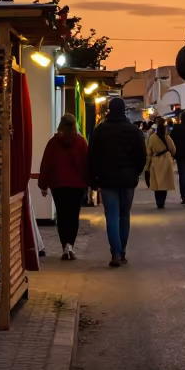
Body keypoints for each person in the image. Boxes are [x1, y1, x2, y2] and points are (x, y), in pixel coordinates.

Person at [88, 96, 147, 268]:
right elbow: (142, 156)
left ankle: (115, 251)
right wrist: (135, 173)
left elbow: (92, 157)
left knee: (112, 216)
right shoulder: (133, 131)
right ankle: (122, 252)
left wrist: (93, 179)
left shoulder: (100, 131)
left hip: (107, 180)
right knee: (124, 215)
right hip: (128, 180)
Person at [37, 113, 89, 260]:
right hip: (77, 185)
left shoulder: (53, 142)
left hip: (58, 185)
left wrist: (43, 185)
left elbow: (46, 164)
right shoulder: (81, 142)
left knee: (62, 215)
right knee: (73, 216)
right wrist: (90, 183)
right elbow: (86, 164)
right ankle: (70, 245)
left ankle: (64, 246)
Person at [145, 117, 176, 209]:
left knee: (156, 183)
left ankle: (158, 202)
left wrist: (147, 165)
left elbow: (149, 152)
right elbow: (173, 149)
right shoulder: (167, 137)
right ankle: (162, 202)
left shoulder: (152, 138)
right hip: (167, 160)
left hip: (156, 161)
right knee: (164, 182)